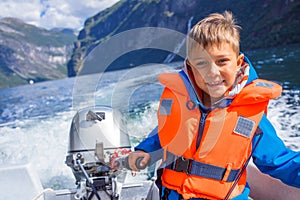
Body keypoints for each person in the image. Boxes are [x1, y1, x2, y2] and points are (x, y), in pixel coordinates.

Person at [127, 11, 300, 199]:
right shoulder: (178, 101)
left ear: (238, 62)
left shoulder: (252, 116)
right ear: (190, 68)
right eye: (202, 63)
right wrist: (145, 150)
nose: (212, 72)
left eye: (222, 61)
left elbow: (280, 161)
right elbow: (164, 134)